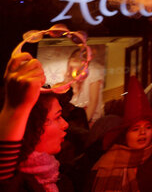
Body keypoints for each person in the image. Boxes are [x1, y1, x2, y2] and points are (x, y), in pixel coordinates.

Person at [1, 52, 72, 192]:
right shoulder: (17, 183)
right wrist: (16, 109)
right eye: (57, 117)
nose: (66, 124)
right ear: (32, 125)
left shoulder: (61, 180)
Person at [90, 76, 152, 191]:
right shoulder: (105, 164)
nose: (143, 132)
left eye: (148, 127)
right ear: (125, 134)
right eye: (135, 129)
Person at [65, 48, 104, 126]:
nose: (76, 58)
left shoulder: (92, 74)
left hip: (90, 121)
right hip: (75, 122)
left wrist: (83, 125)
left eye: (80, 57)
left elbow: (93, 102)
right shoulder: (69, 78)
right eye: (74, 56)